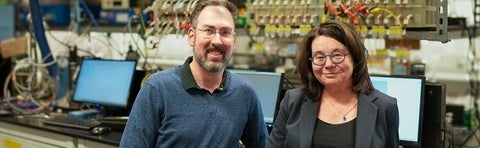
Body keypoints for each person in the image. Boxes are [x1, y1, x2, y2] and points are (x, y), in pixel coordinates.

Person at [119, 0, 268, 147]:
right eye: (208, 30)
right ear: (191, 36)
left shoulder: (245, 93)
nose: (217, 41)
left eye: (225, 32)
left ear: (234, 41)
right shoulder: (157, 89)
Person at [266, 20, 399, 148]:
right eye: (319, 57)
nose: (328, 64)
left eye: (337, 55)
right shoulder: (293, 101)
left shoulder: (385, 107)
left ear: (355, 57)